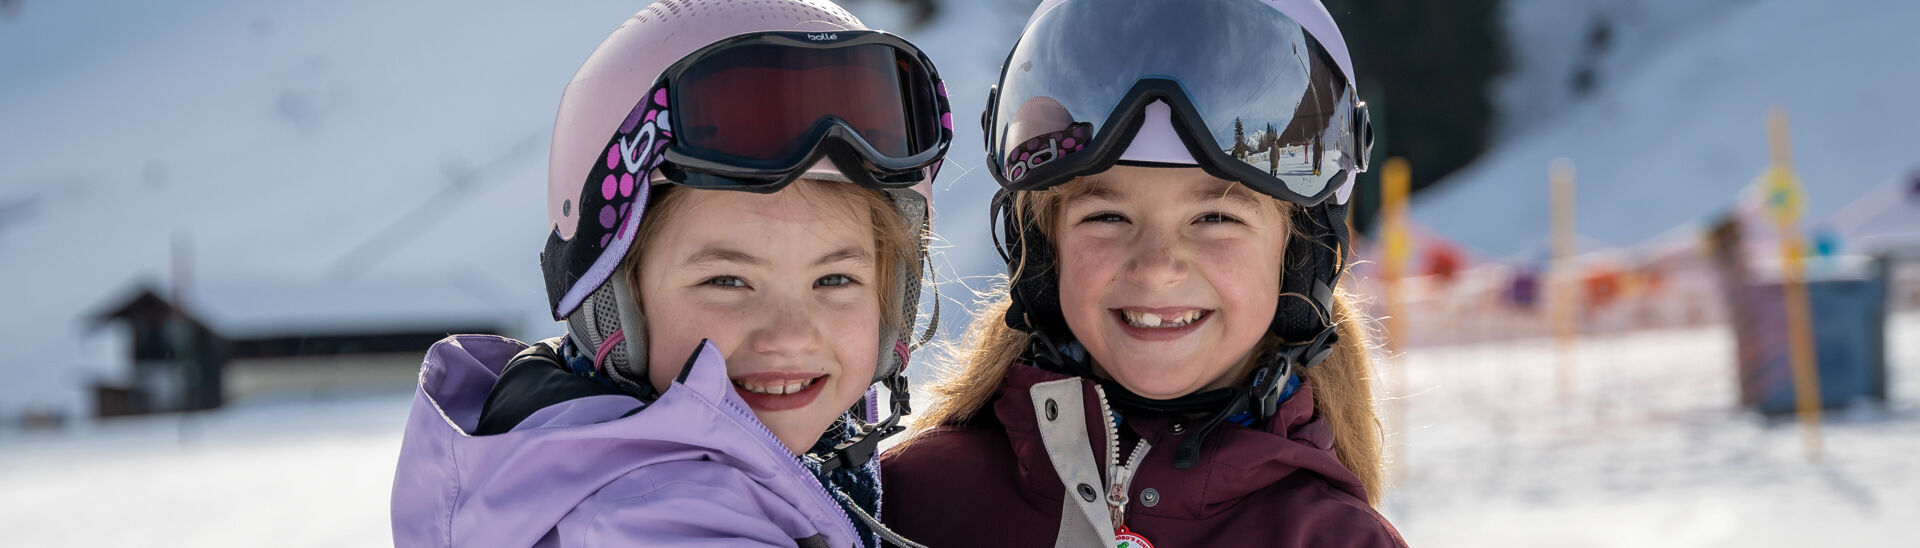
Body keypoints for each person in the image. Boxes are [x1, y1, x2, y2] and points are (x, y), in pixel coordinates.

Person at [389, 1, 952, 545]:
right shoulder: (656, 519)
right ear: (610, 292)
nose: (790, 336)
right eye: (728, 281)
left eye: (834, 280)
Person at [880, 0, 1405, 545]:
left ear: (1297, 255)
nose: (1156, 270)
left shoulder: (1336, 538)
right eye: (1107, 216)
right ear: (1043, 250)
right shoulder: (911, 504)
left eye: (1214, 217)